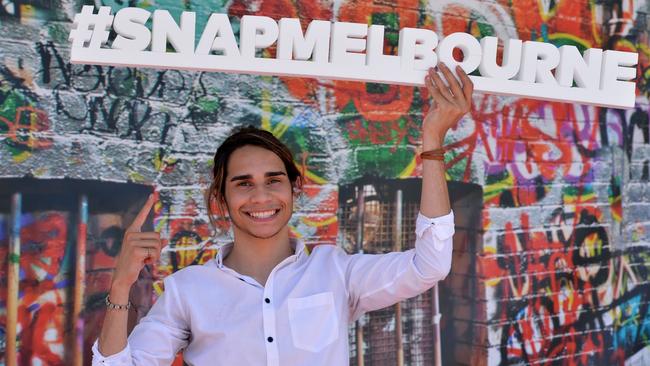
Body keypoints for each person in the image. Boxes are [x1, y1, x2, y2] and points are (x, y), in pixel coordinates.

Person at [92, 63, 474, 365]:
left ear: (294, 188)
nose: (261, 195)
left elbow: (431, 264)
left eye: (273, 180)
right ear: (221, 200)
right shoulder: (186, 291)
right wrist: (120, 287)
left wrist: (433, 144)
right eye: (243, 183)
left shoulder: (336, 273)